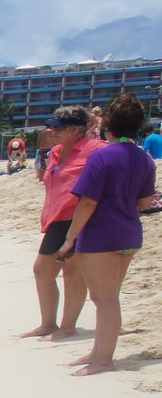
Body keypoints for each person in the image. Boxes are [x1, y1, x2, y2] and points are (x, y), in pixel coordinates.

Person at [56, 94, 157, 375]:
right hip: (129, 234)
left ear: (107, 122)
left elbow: (87, 202)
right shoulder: (145, 159)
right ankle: (98, 352)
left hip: (102, 236)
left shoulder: (102, 156)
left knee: (104, 299)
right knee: (109, 296)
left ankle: (103, 360)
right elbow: (145, 202)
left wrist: (69, 239)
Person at [20, 106, 105, 341]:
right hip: (56, 220)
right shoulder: (55, 152)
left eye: (58, 127)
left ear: (77, 129)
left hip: (80, 219)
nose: (52, 131)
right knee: (43, 271)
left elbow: (125, 151)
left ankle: (67, 327)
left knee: (71, 272)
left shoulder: (96, 149)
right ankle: (48, 324)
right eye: (51, 126)